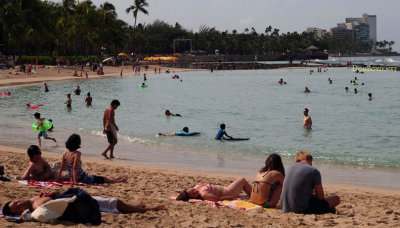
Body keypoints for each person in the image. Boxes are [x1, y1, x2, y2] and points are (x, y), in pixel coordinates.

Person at [2, 188, 164, 223]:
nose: (19, 204)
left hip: (74, 198)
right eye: (17, 207)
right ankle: (143, 209)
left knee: (114, 201)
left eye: (15, 202)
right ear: (20, 211)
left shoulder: (34, 197)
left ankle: (136, 207)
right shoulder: (35, 210)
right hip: (76, 206)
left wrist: (51, 193)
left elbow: (58, 192)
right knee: (114, 206)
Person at [56, 134, 127, 185]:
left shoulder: (65, 153)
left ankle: (116, 179)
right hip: (82, 178)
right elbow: (75, 169)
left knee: (101, 178)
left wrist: (57, 179)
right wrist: (75, 182)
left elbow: (62, 168)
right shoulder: (77, 154)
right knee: (103, 179)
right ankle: (119, 181)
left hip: (75, 177)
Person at [176, 178, 251, 202]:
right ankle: (255, 197)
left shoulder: (196, 188)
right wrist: (231, 198)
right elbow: (218, 199)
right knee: (242, 180)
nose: (195, 191)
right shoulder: (204, 194)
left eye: (192, 190)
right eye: (194, 194)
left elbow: (183, 195)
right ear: (194, 197)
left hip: (226, 188)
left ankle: (253, 195)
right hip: (228, 192)